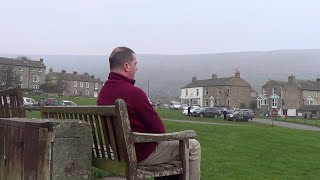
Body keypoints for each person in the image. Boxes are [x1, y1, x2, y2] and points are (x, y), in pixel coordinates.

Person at [97, 47, 201, 180]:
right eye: (135, 64)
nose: (137, 68)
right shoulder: (134, 93)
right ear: (126, 66)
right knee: (192, 145)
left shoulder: (103, 93)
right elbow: (159, 130)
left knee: (172, 151)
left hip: (119, 153)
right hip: (139, 154)